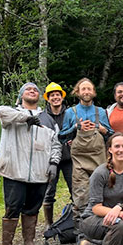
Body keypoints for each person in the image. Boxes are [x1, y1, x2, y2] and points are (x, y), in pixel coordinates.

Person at [0, 83, 62, 245]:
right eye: (28, 89)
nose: (32, 90)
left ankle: (29, 242)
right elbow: (1, 112)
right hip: (15, 170)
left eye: (35, 89)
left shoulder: (47, 119)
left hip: (40, 171)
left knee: (33, 207)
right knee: (12, 207)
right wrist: (26, 118)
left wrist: (54, 163)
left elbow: (56, 143)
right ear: (21, 95)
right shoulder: (10, 112)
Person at [59, 78, 113, 231]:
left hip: (99, 162)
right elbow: (62, 137)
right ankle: (82, 234)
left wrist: (104, 130)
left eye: (89, 89)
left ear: (94, 92)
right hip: (80, 164)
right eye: (83, 89)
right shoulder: (70, 112)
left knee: (103, 195)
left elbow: (111, 136)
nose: (86, 91)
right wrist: (76, 127)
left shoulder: (101, 112)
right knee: (81, 198)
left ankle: (104, 230)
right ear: (77, 92)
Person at [42, 82, 73, 230]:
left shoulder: (70, 113)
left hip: (68, 158)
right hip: (49, 160)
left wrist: (75, 139)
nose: (55, 97)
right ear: (47, 98)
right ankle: (49, 223)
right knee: (49, 191)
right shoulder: (42, 116)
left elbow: (77, 131)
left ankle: (77, 219)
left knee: (75, 188)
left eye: (57, 95)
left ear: (62, 97)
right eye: (52, 95)